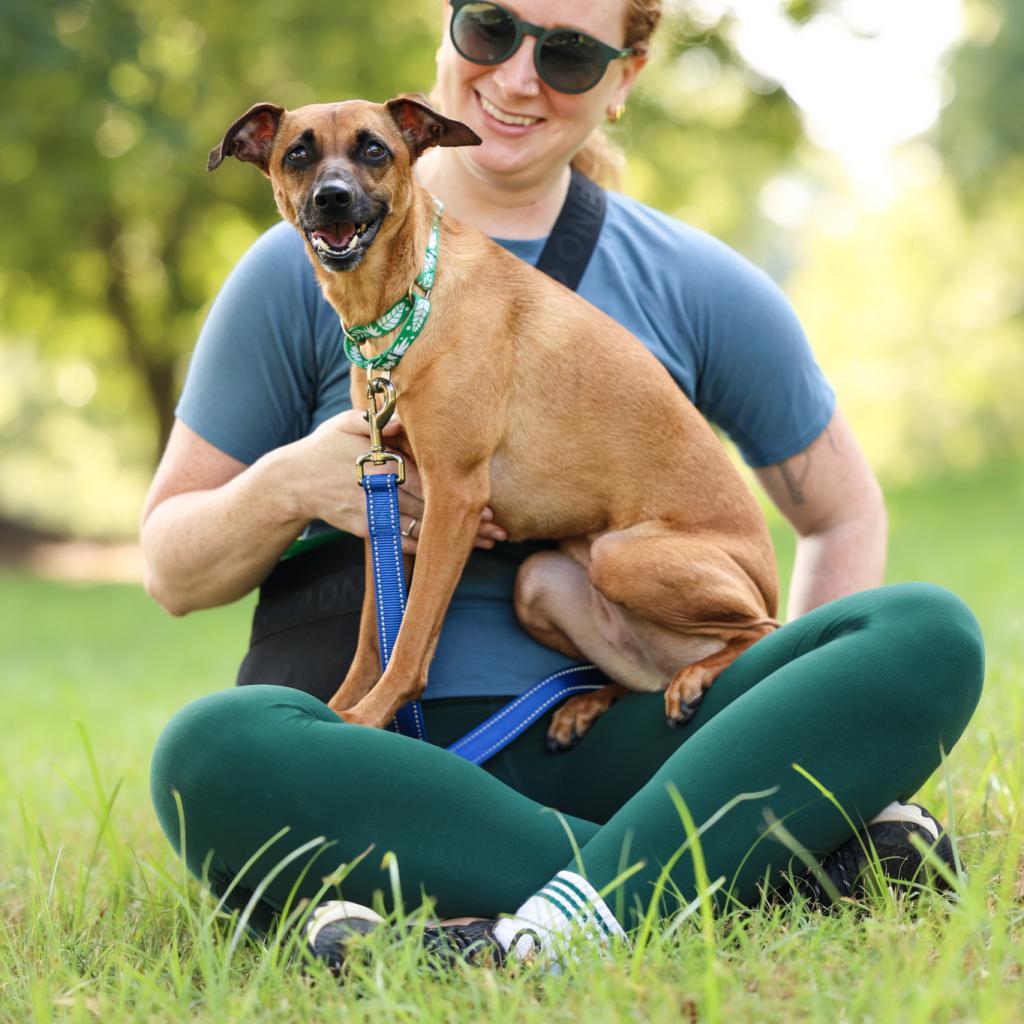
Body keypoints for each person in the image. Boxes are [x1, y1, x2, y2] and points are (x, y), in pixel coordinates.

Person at [145, 0, 983, 971]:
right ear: (446, 35)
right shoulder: (289, 273)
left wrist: (774, 721)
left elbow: (841, 510)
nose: (515, 77)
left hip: (632, 731)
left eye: (571, 53)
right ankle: (733, 868)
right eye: (493, 29)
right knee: (206, 749)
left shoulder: (697, 283)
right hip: (369, 754)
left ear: (623, 81)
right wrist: (291, 483)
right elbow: (168, 566)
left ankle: (482, 924)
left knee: (926, 630)